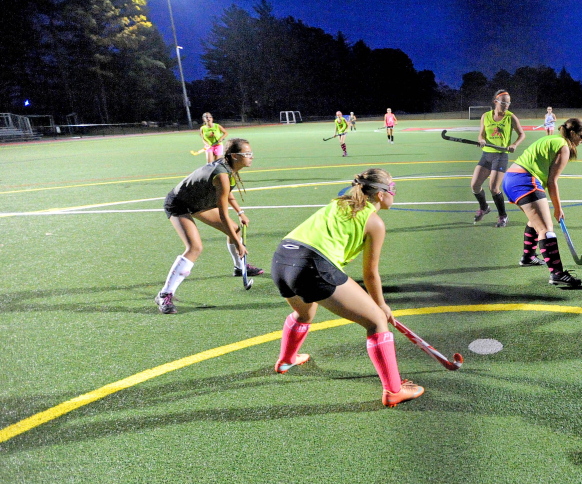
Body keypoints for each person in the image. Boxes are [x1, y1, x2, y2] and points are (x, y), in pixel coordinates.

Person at [270, 168, 424, 407]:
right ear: (381, 195)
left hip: (282, 259)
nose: (394, 194)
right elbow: (370, 273)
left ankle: (287, 360)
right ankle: (394, 391)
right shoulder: (374, 222)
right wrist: (381, 305)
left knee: (305, 312)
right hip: (311, 265)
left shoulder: (338, 204)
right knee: (376, 322)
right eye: (392, 189)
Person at [155, 138, 262, 314]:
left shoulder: (229, 167)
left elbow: (227, 194)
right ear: (235, 156)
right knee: (194, 247)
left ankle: (239, 268)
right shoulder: (221, 174)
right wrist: (239, 244)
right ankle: (164, 294)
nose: (251, 157)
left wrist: (240, 212)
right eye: (247, 154)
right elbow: (222, 214)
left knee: (235, 228)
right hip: (179, 204)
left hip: (199, 203)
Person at [502, 118, 582, 287]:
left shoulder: (550, 139)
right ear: (572, 134)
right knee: (546, 230)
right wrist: (558, 208)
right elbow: (552, 182)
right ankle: (556, 273)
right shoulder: (564, 147)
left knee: (535, 221)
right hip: (524, 181)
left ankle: (528, 257)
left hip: (510, 178)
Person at [472, 89, 526, 227]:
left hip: (501, 156)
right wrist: (481, 140)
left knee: (494, 188)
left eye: (508, 102)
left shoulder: (511, 117)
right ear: (495, 101)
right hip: (487, 154)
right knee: (475, 185)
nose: (507, 105)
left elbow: (522, 134)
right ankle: (484, 208)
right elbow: (481, 134)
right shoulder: (485, 116)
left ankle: (503, 216)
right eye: (504, 102)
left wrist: (514, 144)